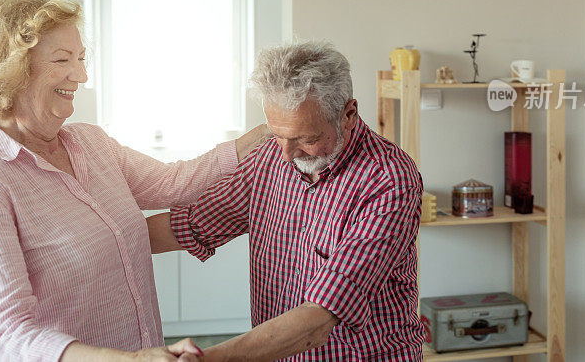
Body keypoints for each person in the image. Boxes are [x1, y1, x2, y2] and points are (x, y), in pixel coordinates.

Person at [0, 0, 270, 361]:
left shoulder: (89, 143)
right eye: (63, 60)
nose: (80, 75)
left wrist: (262, 136)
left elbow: (175, 183)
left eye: (80, 59)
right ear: (11, 70)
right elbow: (7, 335)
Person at [148, 41, 425, 360]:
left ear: (348, 114)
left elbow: (319, 318)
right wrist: (94, 241)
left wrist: (205, 359)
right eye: (278, 135)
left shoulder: (388, 178)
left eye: (306, 139)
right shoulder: (268, 158)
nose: (287, 154)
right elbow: (189, 226)